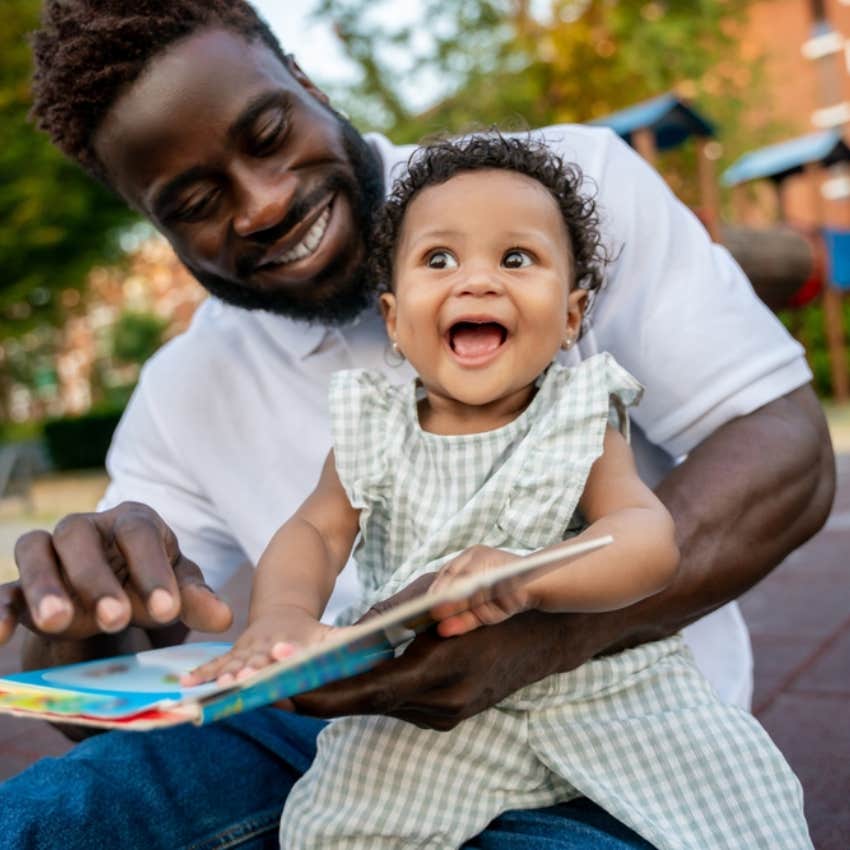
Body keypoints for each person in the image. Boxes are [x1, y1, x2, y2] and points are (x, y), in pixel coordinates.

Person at [0, 2, 834, 848]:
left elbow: (778, 455)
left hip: (605, 750)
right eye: (193, 202)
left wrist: (538, 614)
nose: (262, 204)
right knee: (44, 818)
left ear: (308, 82)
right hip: (348, 751)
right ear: (392, 323)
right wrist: (78, 621)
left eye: (267, 135)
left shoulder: (559, 207)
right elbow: (307, 542)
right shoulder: (211, 393)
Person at [183, 134, 812, 850]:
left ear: (571, 315)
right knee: (331, 830)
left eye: (517, 259)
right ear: (394, 319)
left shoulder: (578, 412)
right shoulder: (372, 426)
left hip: (610, 690)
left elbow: (647, 539)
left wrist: (534, 578)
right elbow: (316, 533)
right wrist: (283, 618)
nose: (476, 281)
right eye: (439, 259)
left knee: (745, 808)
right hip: (428, 710)